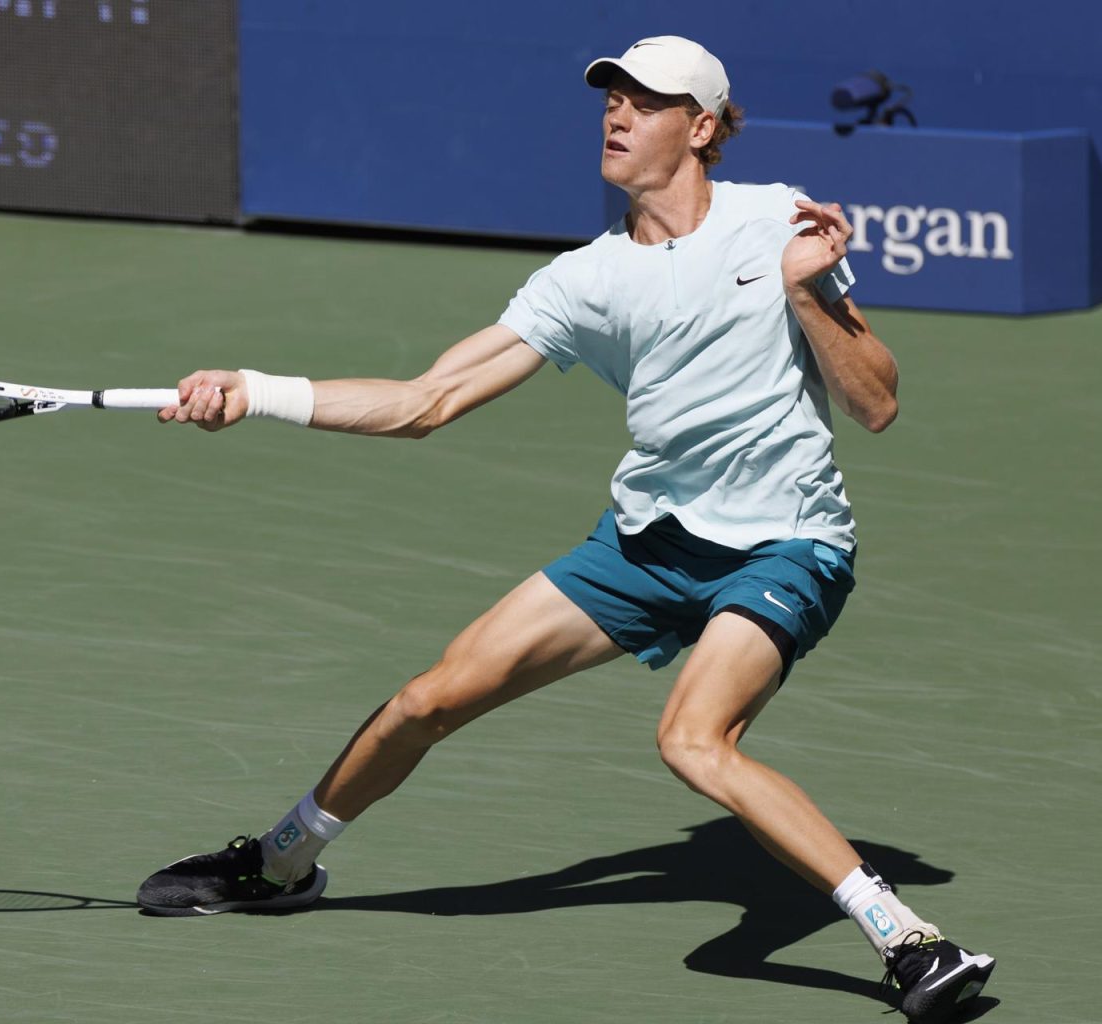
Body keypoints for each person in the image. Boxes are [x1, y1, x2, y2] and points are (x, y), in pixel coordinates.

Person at [138, 34, 994, 1024]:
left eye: (645, 100)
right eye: (610, 99)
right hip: (643, 546)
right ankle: (283, 863)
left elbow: (877, 404)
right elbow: (426, 399)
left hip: (784, 540)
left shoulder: (775, 223)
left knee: (694, 739)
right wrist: (256, 390)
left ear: (703, 126)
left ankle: (910, 941)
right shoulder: (584, 280)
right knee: (427, 699)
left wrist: (808, 292)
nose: (617, 114)